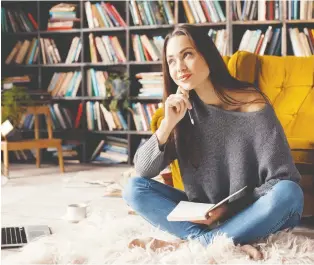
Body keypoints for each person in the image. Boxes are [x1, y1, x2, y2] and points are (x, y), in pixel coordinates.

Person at [122, 25, 304, 260]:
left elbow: (283, 180)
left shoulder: (252, 105)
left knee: (289, 192)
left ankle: (195, 244)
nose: (180, 67)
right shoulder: (182, 110)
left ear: (207, 55)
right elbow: (144, 169)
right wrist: (168, 124)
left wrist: (227, 210)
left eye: (187, 54)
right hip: (204, 211)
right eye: (172, 61)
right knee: (134, 189)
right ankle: (222, 241)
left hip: (253, 211)